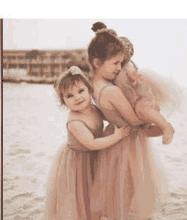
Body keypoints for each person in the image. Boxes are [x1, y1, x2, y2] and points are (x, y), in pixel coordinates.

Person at [87, 22, 172, 220]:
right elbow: (134, 120)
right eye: (116, 63)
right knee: (130, 190)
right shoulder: (111, 90)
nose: (119, 67)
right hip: (126, 141)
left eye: (120, 62)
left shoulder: (96, 84)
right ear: (99, 63)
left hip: (113, 136)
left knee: (116, 188)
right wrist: (152, 122)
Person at [43, 66, 131, 220]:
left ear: (90, 91)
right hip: (78, 162)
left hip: (95, 157)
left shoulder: (93, 108)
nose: (77, 97)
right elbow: (92, 143)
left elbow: (110, 115)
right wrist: (117, 136)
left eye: (81, 91)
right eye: (69, 96)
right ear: (64, 102)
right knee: (82, 197)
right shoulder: (74, 122)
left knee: (96, 194)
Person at [90, 22, 175, 145]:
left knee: (143, 110)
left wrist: (134, 78)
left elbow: (132, 74)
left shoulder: (127, 66)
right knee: (142, 125)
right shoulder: (109, 73)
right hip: (129, 103)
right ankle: (155, 128)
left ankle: (165, 127)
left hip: (138, 99)